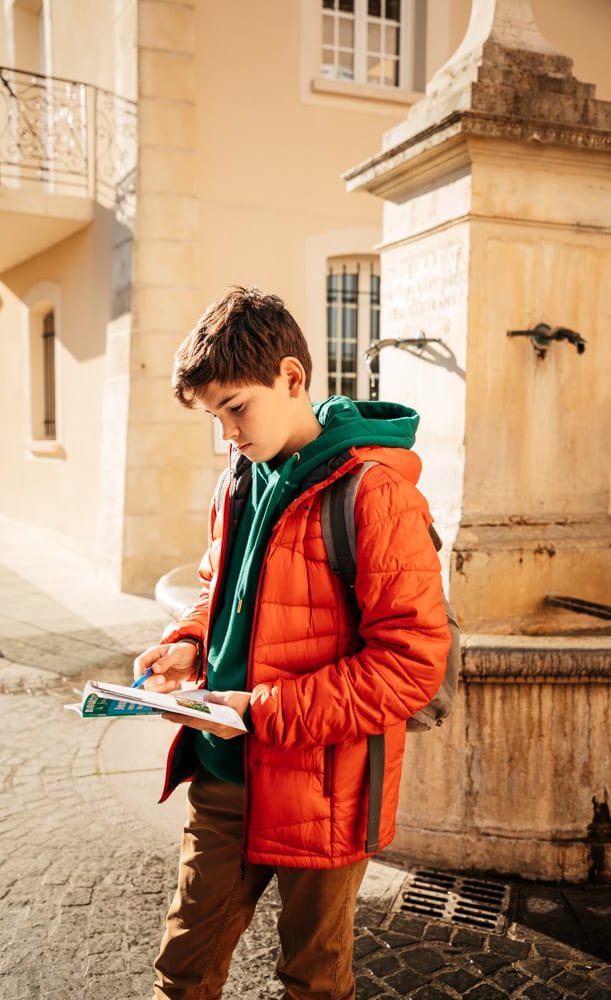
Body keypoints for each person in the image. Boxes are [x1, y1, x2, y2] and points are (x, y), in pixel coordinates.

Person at [134, 286, 451, 1000]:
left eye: (235, 408)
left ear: (291, 378)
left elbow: (411, 664)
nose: (227, 435)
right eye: (214, 417)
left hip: (325, 788)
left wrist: (263, 709)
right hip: (223, 773)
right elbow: (218, 590)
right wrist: (186, 641)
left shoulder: (375, 494)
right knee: (181, 974)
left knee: (312, 981)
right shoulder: (238, 480)